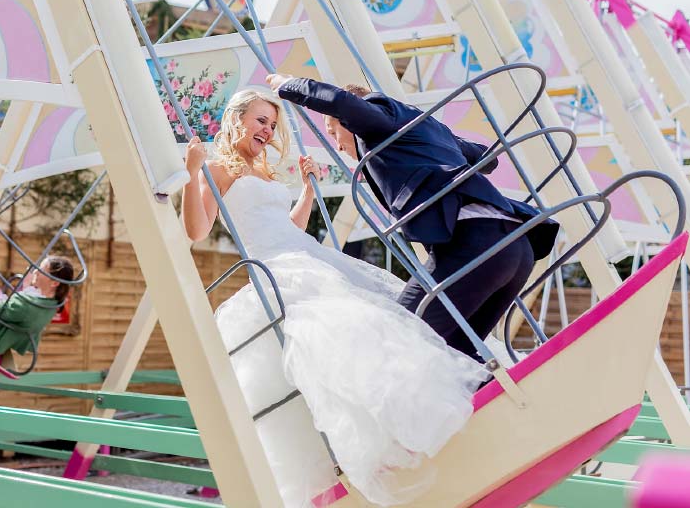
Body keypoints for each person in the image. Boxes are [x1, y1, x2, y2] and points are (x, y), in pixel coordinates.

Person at [181, 89, 486, 506]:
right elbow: (197, 231)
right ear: (237, 119)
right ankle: (369, 435)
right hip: (275, 264)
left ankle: (409, 406)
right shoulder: (218, 169)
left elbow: (288, 226)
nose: (267, 130)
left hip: (302, 250)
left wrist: (307, 190)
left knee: (379, 309)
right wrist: (191, 175)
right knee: (337, 327)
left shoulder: (264, 169)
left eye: (272, 124)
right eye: (260, 121)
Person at [267, 74, 559, 361]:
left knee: (400, 335)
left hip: (476, 242)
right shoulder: (421, 126)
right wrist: (440, 145)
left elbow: (342, 102)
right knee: (458, 353)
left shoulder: (380, 118)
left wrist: (288, 86)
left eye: (333, 132)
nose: (338, 146)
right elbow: (487, 158)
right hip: (516, 247)